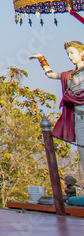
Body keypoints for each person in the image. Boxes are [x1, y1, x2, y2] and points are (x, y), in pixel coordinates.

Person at [31, 41, 84, 175]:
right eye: (68, 54)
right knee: (83, 153)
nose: (70, 57)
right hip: (78, 117)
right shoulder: (69, 74)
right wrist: (41, 59)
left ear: (82, 53)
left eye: (72, 53)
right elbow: (50, 74)